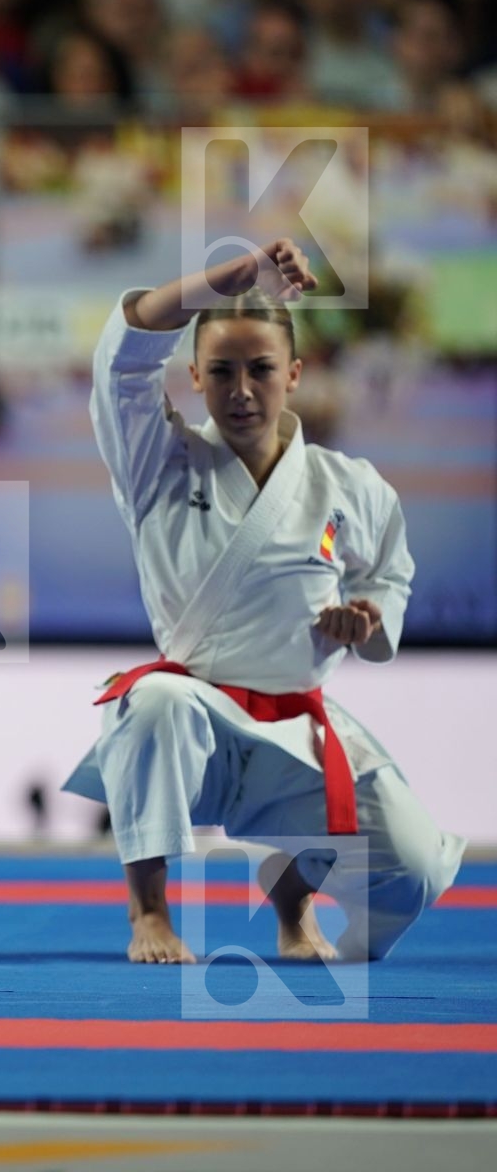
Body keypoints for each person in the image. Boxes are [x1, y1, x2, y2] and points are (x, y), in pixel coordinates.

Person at [64, 238, 466, 965]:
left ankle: (291, 893)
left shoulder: (352, 486)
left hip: (294, 727)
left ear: (296, 375)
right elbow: (121, 357)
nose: (242, 390)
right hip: (194, 727)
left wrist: (366, 622)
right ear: (194, 376)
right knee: (155, 698)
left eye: (261, 370)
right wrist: (230, 277)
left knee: (414, 870)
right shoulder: (159, 462)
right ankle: (148, 912)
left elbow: (388, 580)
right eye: (221, 371)